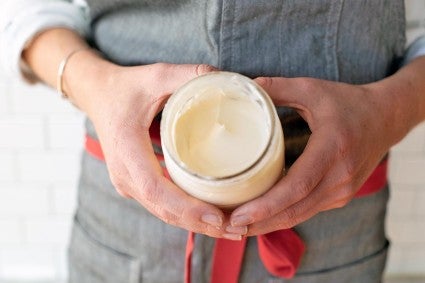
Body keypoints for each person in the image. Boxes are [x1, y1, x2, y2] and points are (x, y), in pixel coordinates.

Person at [1, 1, 425, 282]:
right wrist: (96, 86)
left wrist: (389, 111)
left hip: (332, 233)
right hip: (124, 221)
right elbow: (25, 10)